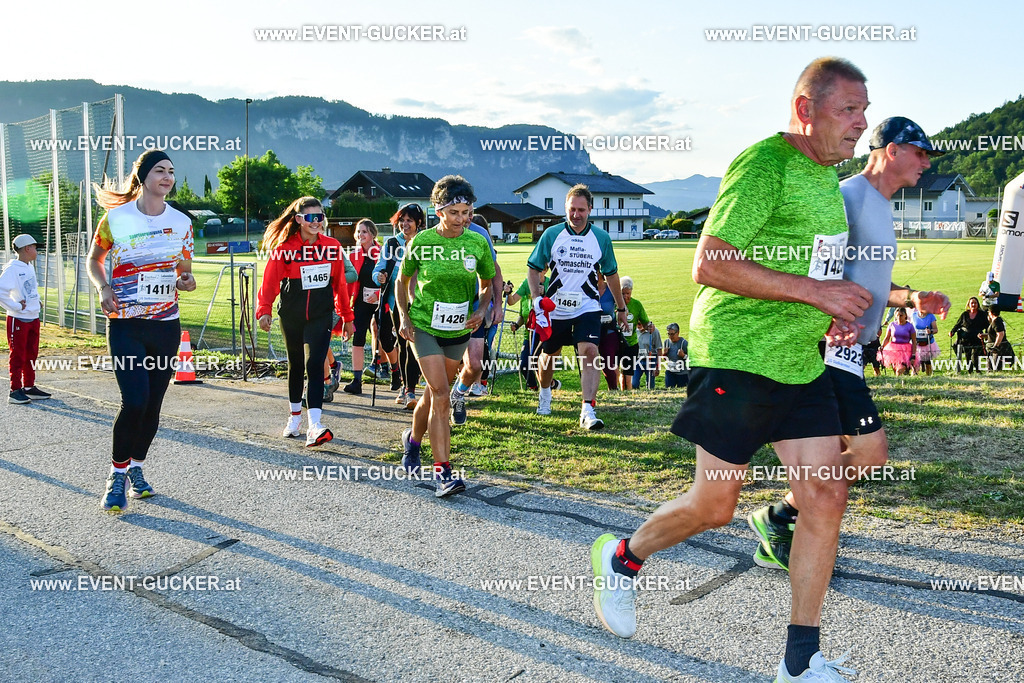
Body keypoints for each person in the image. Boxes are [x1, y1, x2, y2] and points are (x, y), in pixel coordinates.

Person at [591, 58, 873, 682]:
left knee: (826, 493)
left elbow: (811, 272)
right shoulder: (766, 163)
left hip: (799, 362)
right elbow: (710, 262)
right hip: (738, 356)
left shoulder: (826, 177)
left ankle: (800, 662)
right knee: (716, 505)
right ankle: (621, 557)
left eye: (864, 110)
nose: (861, 123)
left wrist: (831, 310)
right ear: (805, 109)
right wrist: (816, 293)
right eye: (849, 110)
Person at [746, 116, 950, 583]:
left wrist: (912, 298)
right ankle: (782, 518)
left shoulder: (880, 205)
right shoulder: (849, 197)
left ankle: (784, 521)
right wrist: (826, 321)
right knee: (869, 452)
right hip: (829, 348)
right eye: (920, 153)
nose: (926, 163)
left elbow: (871, 282)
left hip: (855, 348)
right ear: (892, 150)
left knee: (838, 449)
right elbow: (813, 268)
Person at [87, 149, 197, 512]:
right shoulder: (116, 218)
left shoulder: (181, 222)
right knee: (134, 401)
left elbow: (184, 271)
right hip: (126, 324)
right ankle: (116, 475)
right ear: (143, 176)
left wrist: (186, 281)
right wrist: (104, 287)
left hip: (165, 325)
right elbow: (94, 259)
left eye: (171, 171)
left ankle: (136, 468)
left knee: (151, 406)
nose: (167, 177)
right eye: (160, 170)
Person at [396, 176, 495, 497]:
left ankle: (412, 442)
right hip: (424, 326)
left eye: (466, 212)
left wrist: (482, 309)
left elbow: (487, 284)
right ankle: (443, 473)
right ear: (439, 211)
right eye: (454, 213)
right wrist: (404, 316)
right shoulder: (421, 241)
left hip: (458, 329)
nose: (461, 219)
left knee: (432, 394)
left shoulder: (477, 242)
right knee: (440, 394)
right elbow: (401, 281)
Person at [256, 197, 355, 447]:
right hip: (292, 316)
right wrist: (264, 310)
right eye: (311, 217)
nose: (317, 222)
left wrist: (347, 317)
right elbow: (270, 281)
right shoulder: (285, 248)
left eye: (320, 217)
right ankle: (294, 418)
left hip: (321, 316)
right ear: (299, 219)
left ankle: (315, 425)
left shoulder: (332, 247)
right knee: (296, 365)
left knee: (314, 364)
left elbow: (340, 285)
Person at [528, 184, 627, 430]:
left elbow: (611, 274)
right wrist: (536, 299)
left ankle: (588, 410)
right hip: (556, 308)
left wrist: (621, 308)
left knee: (590, 352)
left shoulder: (601, 238)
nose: (576, 214)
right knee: (549, 354)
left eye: (581, 210)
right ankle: (545, 393)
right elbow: (533, 267)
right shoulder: (551, 234)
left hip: (587, 306)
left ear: (590, 209)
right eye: (572, 209)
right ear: (565, 208)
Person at [449, 213, 504, 424]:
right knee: (446, 364)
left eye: (471, 212)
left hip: (473, 308)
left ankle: (458, 394)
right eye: (463, 212)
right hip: (444, 308)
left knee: (475, 365)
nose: (468, 218)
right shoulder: (433, 236)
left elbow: (494, 271)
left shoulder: (480, 234)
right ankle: (438, 414)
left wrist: (497, 305)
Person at [374, 204, 425, 408]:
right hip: (396, 301)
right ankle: (407, 388)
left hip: (422, 302)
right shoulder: (392, 243)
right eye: (401, 220)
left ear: (418, 222)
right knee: (403, 344)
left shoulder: (426, 241)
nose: (405, 224)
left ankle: (412, 388)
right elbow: (379, 267)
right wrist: (379, 276)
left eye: (409, 220)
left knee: (415, 345)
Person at [2, 234, 49, 404]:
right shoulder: (12, 269)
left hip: (33, 317)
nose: (37, 251)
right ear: (27, 249)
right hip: (19, 319)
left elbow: (29, 289)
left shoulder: (29, 267)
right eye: (35, 248)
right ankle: (15, 390)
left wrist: (37, 301)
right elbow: (1, 291)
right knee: (18, 355)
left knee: (31, 354)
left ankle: (29, 386)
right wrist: (15, 306)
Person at [342, 218, 382, 396]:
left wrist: (378, 294)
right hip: (361, 301)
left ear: (373, 234)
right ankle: (356, 380)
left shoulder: (382, 253)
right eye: (358, 232)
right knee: (358, 337)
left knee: (384, 336)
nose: (360, 235)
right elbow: (348, 281)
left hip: (381, 301)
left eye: (364, 231)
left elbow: (391, 279)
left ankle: (392, 370)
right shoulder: (354, 255)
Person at [617, 276, 653, 390]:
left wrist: (649, 327)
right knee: (615, 373)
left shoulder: (637, 305)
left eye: (627, 293)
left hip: (631, 344)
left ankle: (627, 394)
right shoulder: (614, 303)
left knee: (628, 376)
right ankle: (617, 392)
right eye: (622, 293)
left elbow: (645, 322)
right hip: (616, 343)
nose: (625, 296)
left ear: (631, 291)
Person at [949, 297, 987, 372]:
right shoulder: (964, 314)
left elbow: (987, 326)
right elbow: (958, 324)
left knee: (975, 357)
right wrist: (952, 332)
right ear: (968, 305)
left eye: (975, 303)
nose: (973, 305)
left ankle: (978, 372)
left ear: (978, 304)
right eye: (972, 303)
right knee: (968, 357)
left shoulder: (982, 314)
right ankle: (970, 372)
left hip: (977, 339)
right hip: (966, 339)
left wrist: (986, 335)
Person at [879, 308, 916, 375]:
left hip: (906, 351)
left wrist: (913, 354)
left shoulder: (910, 326)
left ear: (905, 315)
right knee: (896, 370)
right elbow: (887, 338)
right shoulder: (892, 325)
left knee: (900, 370)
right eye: (897, 315)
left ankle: (904, 373)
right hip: (894, 351)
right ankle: (902, 379)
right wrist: (882, 346)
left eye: (901, 315)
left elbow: (914, 341)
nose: (899, 317)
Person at [982, 305, 1015, 371]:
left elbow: (1000, 334)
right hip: (996, 348)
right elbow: (994, 334)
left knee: (994, 368)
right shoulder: (997, 321)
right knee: (991, 368)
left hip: (998, 349)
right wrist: (984, 335)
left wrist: (995, 346)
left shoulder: (996, 322)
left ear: (991, 312)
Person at [632, 317, 661, 390]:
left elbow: (659, 349)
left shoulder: (654, 331)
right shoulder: (634, 331)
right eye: (636, 324)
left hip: (651, 360)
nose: (638, 326)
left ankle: (650, 396)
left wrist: (658, 366)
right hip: (638, 360)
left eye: (639, 324)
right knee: (634, 383)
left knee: (650, 384)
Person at [911, 303, 940, 376]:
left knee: (928, 362)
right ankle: (914, 377)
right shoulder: (914, 315)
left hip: (928, 343)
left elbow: (936, 329)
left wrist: (930, 331)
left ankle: (929, 377)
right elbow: (911, 328)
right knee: (916, 362)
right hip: (917, 343)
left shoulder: (931, 316)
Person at [660, 323, 688, 389]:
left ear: (678, 333)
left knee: (682, 392)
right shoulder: (666, 342)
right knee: (669, 390)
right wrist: (664, 354)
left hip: (682, 374)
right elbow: (666, 359)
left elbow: (692, 360)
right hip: (670, 372)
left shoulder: (684, 343)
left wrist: (683, 356)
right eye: (668, 334)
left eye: (672, 334)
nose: (670, 336)